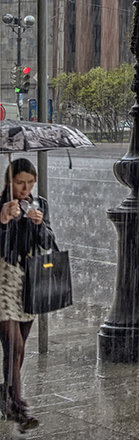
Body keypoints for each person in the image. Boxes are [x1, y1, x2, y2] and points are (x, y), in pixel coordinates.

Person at [0, 158, 53, 429]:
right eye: (20, 182)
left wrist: (39, 224)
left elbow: (49, 242)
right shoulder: (2, 205)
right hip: (3, 278)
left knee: (17, 351)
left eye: (30, 183)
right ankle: (17, 403)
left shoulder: (38, 204)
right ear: (9, 180)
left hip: (29, 279)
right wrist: (3, 220)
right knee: (14, 344)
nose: (25, 188)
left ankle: (7, 397)